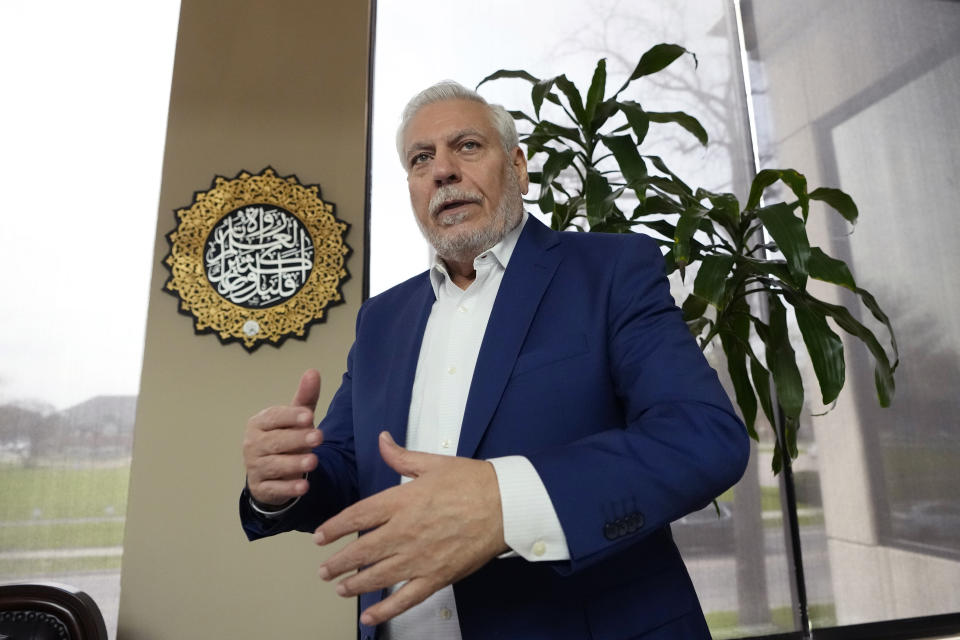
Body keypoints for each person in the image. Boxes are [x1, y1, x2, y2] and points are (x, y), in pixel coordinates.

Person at [240, 80, 749, 640]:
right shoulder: (381, 319)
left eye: (467, 146)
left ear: (519, 168)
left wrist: (505, 502)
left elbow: (702, 437)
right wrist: (285, 480)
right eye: (421, 159)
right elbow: (348, 466)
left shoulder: (609, 271)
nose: (443, 171)